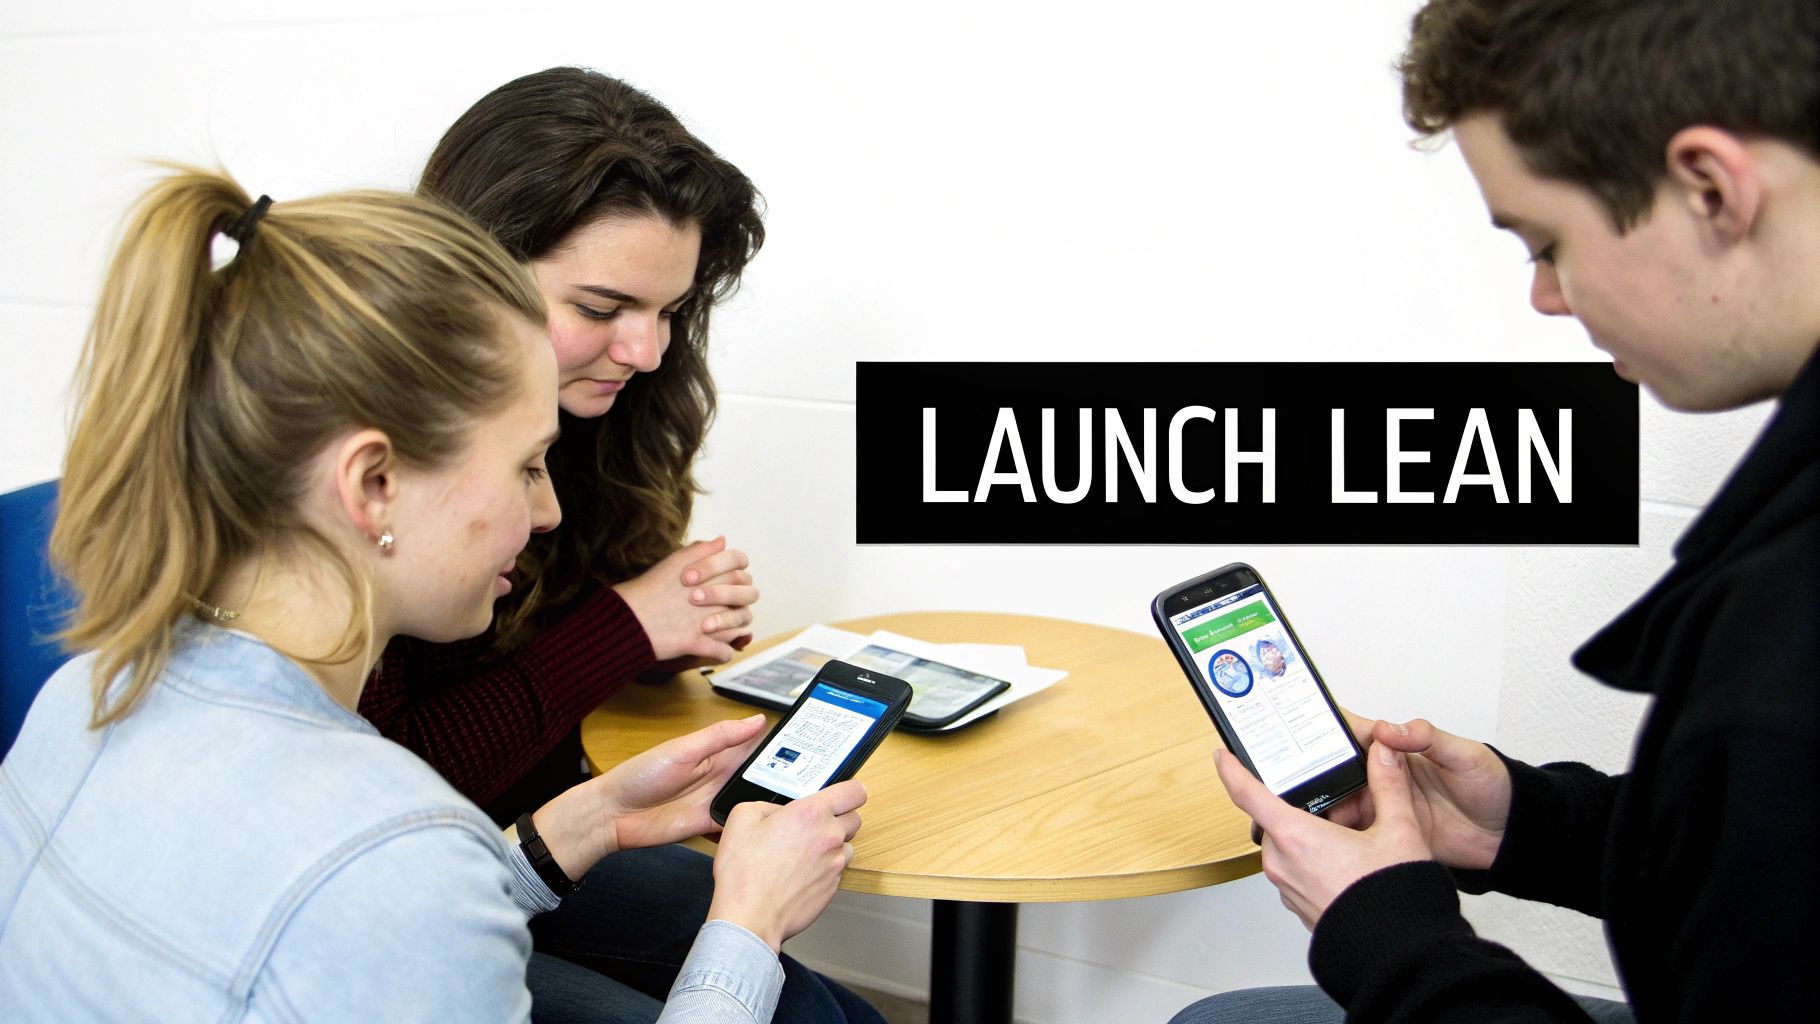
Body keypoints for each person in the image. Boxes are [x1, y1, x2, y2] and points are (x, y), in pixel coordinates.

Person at [0, 171, 865, 1021]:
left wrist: (590, 820)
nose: (548, 511)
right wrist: (749, 925)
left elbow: (373, 917)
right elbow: (395, 890)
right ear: (373, 484)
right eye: (526, 466)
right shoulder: (400, 853)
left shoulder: (87, 694)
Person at [1171, 0, 1820, 1020]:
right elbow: (1759, 863)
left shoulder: (1786, 662)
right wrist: (1521, 822)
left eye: (1545, 243)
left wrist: (1382, 931)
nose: (1546, 299)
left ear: (1709, 187)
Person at [357, 67, 882, 1022]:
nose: (647, 351)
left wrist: (661, 635)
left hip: (509, 839)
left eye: (669, 311)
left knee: (824, 1011)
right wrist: (621, 627)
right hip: (404, 874)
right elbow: (389, 800)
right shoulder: (376, 460)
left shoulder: (606, 405)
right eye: (599, 310)